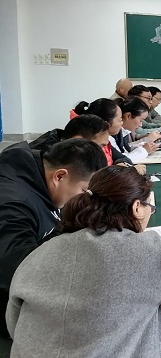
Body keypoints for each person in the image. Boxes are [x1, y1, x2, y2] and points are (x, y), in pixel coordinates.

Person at [6, 166, 161, 356]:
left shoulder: (42, 251)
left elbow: (14, 320)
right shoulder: (144, 250)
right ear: (136, 207)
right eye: (149, 206)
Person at [0, 139, 107, 337]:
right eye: (84, 191)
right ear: (59, 176)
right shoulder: (13, 204)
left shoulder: (40, 176)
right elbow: (16, 271)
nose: (85, 200)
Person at [73, 98, 145, 174]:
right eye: (120, 120)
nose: (121, 123)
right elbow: (98, 175)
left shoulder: (107, 141)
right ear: (106, 124)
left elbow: (122, 158)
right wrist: (125, 170)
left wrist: (121, 164)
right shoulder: (89, 145)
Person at [111, 97, 160, 164]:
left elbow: (125, 149)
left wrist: (143, 146)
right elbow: (121, 158)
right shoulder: (112, 134)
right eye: (140, 120)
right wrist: (144, 150)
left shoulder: (124, 131)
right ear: (128, 116)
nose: (140, 124)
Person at [29, 114, 110, 153]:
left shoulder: (64, 146)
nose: (102, 152)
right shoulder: (51, 160)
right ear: (79, 141)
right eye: (101, 146)